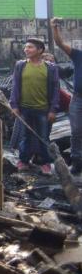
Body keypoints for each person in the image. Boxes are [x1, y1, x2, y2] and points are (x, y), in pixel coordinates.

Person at [10, 38, 60, 174]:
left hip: (43, 109)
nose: (26, 49)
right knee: (25, 136)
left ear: (40, 50)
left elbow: (56, 89)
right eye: (26, 47)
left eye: (30, 47)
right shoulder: (20, 65)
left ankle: (45, 163)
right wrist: (14, 106)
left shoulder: (51, 68)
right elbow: (15, 86)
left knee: (43, 137)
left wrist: (53, 110)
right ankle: (24, 161)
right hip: (25, 108)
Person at [52, 18, 82, 174]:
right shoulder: (78, 55)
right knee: (76, 131)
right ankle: (77, 163)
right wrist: (55, 27)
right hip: (78, 99)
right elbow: (60, 44)